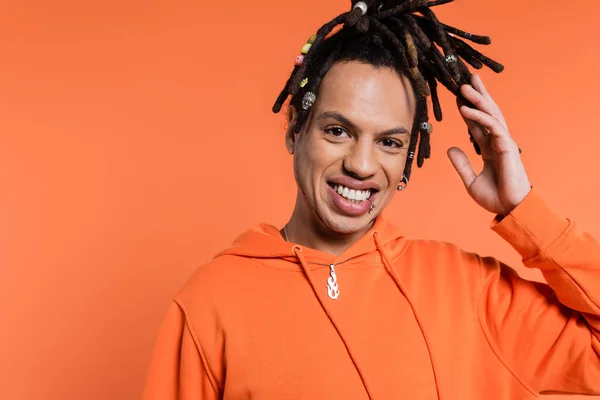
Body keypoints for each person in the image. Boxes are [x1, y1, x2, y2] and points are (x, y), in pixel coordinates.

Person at [142, 0, 600, 398]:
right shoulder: (210, 303)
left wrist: (524, 210)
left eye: (389, 142)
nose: (362, 165)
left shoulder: (470, 292)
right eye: (338, 131)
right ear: (295, 131)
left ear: (408, 157)